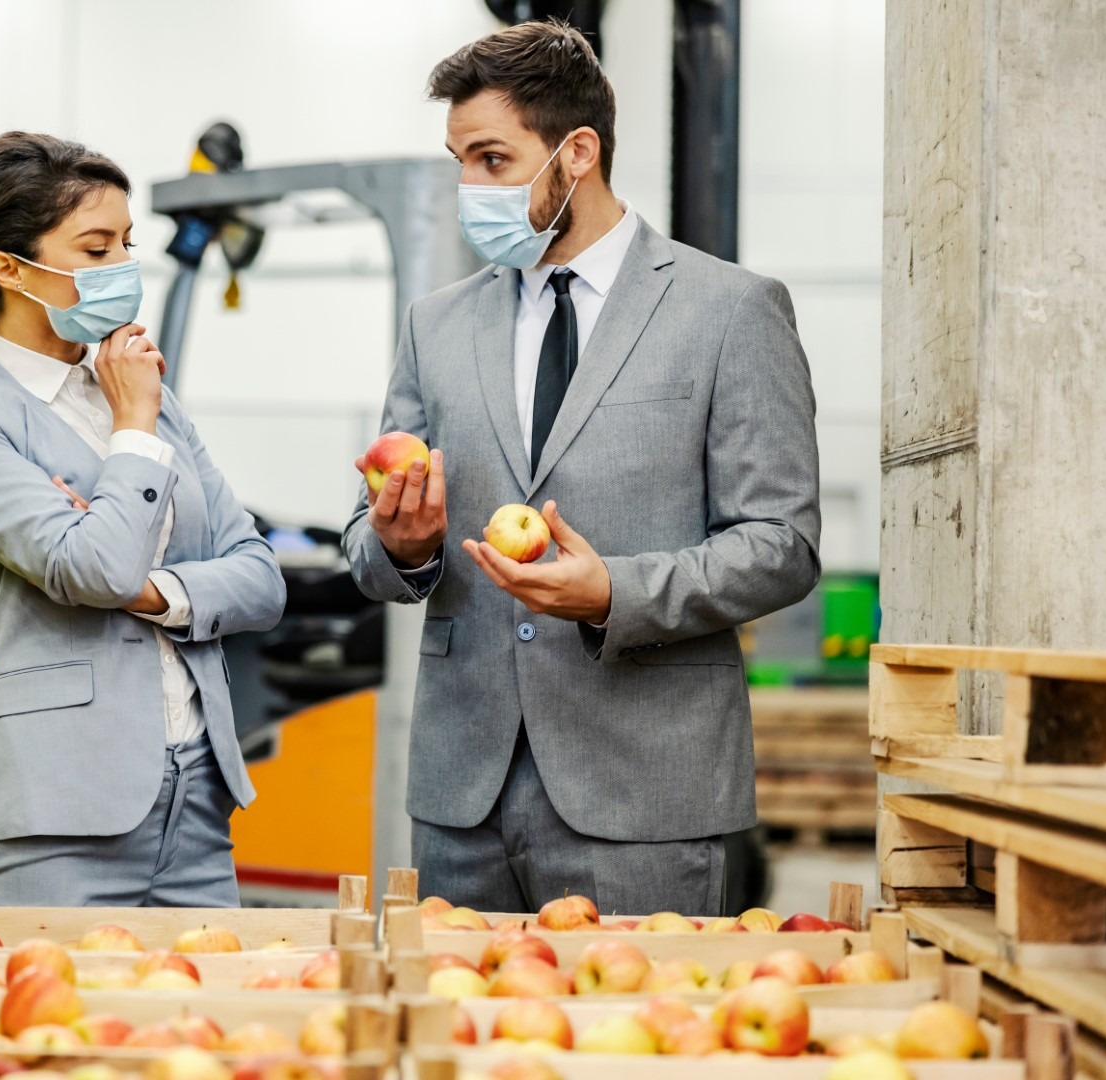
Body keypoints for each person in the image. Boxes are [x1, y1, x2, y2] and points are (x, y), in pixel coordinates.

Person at [343, 20, 821, 917]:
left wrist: (615, 592)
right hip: (460, 800)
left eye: (491, 160)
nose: (467, 189)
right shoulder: (434, 326)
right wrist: (400, 546)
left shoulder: (729, 313)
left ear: (577, 153)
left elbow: (782, 543)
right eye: (458, 163)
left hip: (645, 795)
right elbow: (366, 543)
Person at [0, 132, 285, 907]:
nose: (122, 269)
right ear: (9, 269)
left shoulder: (144, 394)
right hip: (56, 810)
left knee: (192, 1025)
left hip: (198, 802)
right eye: (95, 247)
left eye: (126, 245)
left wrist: (152, 591)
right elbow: (95, 568)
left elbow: (259, 578)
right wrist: (134, 428)